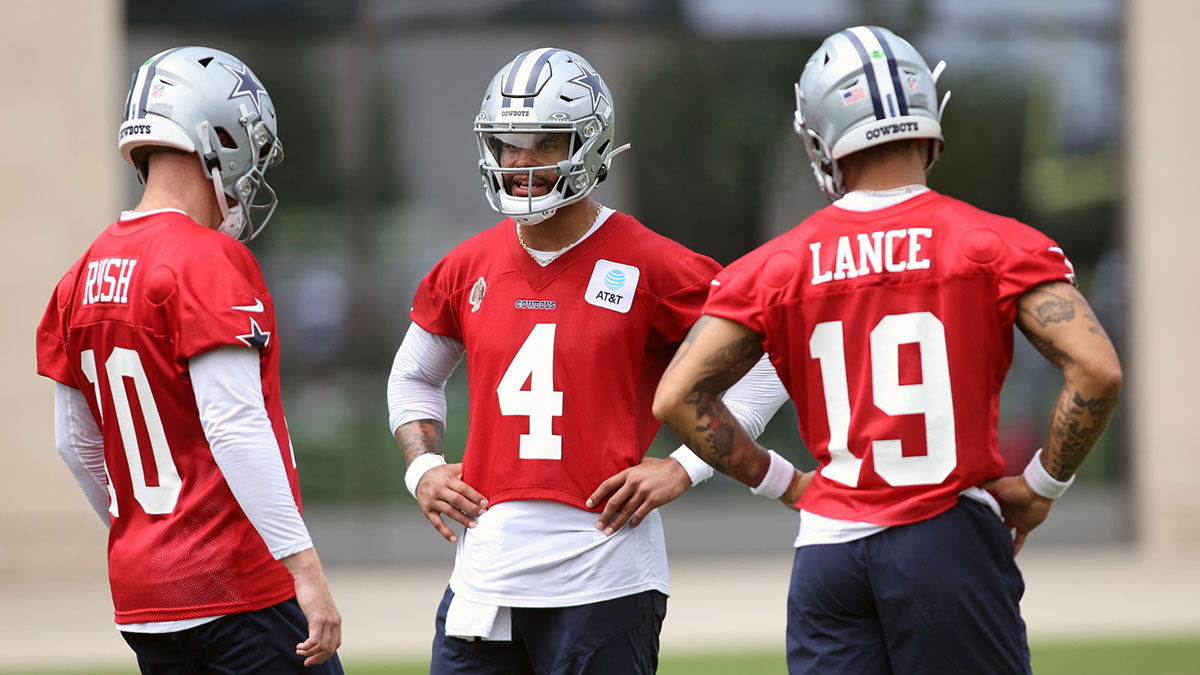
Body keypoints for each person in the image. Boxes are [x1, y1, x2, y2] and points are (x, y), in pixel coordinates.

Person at [652, 26, 1122, 674]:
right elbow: (1096, 369)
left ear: (820, 135)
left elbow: (677, 397)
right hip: (946, 533)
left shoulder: (776, 265)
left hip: (828, 554)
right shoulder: (994, 243)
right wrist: (1043, 483)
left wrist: (784, 482)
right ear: (928, 120)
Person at [386, 47, 788, 674]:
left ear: (589, 143)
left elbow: (768, 362)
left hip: (605, 574)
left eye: (544, 143)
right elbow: (413, 376)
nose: (520, 164)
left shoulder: (655, 264)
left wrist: (685, 468)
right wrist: (423, 469)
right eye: (507, 144)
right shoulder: (465, 266)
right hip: (485, 574)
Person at [36, 46, 342, 673]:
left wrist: (152, 534)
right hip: (238, 589)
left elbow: (74, 442)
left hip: (143, 597)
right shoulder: (206, 258)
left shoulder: (79, 276)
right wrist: (303, 567)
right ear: (216, 136)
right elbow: (234, 425)